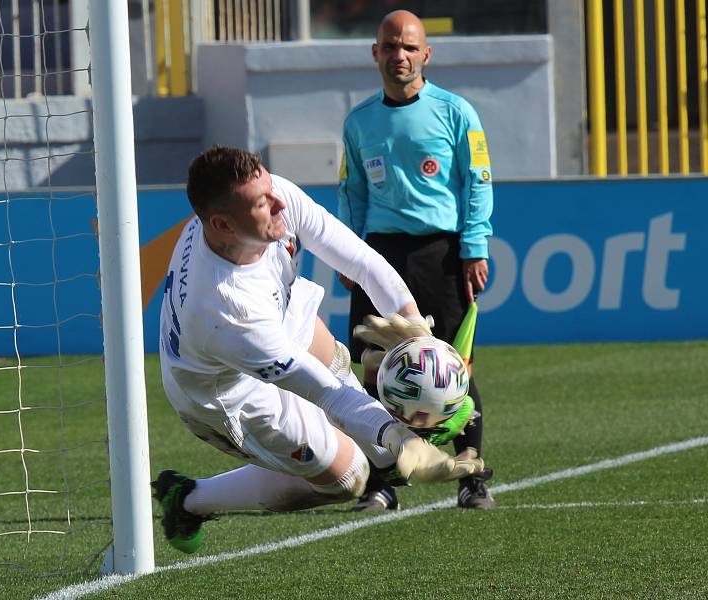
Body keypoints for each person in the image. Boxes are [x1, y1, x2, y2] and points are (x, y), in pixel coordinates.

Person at [153, 145, 484, 553]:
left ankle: (387, 451)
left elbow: (362, 261)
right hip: (225, 390)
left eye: (270, 186)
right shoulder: (227, 309)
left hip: (274, 316)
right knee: (347, 477)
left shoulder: (274, 200)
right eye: (262, 203)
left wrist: (417, 332)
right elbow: (326, 392)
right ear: (222, 225)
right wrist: (401, 439)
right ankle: (188, 500)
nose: (279, 202)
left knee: (342, 365)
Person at [338, 10, 495, 510]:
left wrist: (474, 246)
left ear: (426, 54)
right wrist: (348, 254)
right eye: (390, 46)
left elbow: (479, 182)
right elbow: (352, 193)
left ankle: (471, 476)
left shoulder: (457, 112)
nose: (399, 55)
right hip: (378, 256)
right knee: (372, 369)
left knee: (452, 368)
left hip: (440, 253)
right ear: (375, 53)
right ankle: (381, 481)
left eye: (409, 47)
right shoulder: (358, 121)